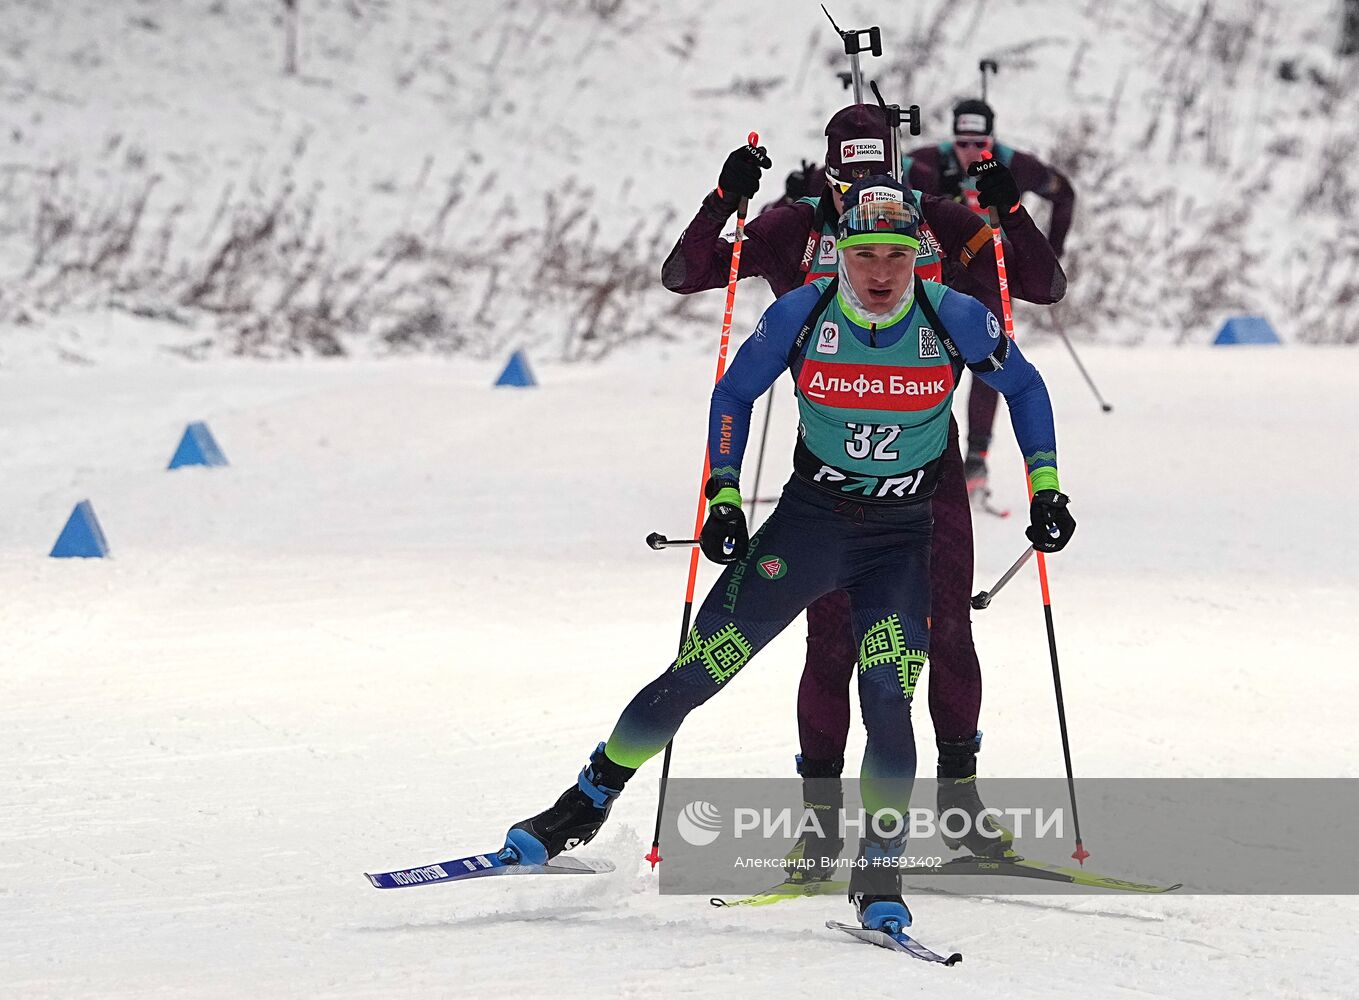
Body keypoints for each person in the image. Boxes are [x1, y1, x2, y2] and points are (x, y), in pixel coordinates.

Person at [502, 177, 1076, 935]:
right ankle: (583, 804)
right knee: (698, 672)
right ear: (839, 254)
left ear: (917, 260)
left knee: (885, 703)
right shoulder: (803, 313)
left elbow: (1027, 389)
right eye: (864, 254)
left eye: (895, 258)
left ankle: (878, 873)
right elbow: (732, 396)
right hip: (809, 528)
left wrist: (1045, 489)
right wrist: (725, 498)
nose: (878, 272)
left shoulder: (954, 316)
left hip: (899, 543)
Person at [661, 104, 1065, 872]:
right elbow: (686, 274)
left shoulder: (938, 220)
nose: (863, 193)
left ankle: (961, 807)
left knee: (946, 632)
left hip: (928, 474)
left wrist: (1009, 208)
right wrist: (722, 199)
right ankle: (818, 824)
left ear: (899, 167)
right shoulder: (790, 225)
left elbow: (1042, 287)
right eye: (847, 178)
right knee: (830, 642)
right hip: (830, 476)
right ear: (826, 172)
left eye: (879, 174)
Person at [905, 98, 1076, 498]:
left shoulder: (1015, 164)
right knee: (933, 361)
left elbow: (1063, 194)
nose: (969, 152)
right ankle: (922, 457)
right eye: (962, 143)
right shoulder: (930, 162)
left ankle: (976, 458)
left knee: (992, 358)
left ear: (992, 140)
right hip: (944, 274)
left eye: (978, 142)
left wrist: (1047, 252)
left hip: (992, 271)